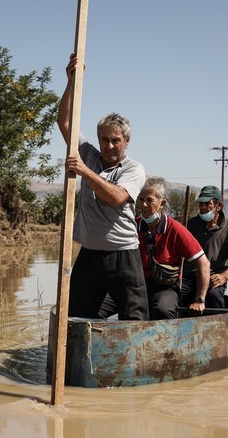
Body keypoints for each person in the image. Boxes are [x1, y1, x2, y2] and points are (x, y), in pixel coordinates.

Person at [56, 53, 148, 320]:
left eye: (115, 140)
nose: (109, 146)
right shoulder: (90, 155)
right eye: (104, 140)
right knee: (75, 317)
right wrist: (71, 81)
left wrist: (84, 171)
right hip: (90, 253)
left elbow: (117, 197)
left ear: (126, 141)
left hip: (123, 255)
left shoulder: (133, 168)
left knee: (134, 320)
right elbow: (64, 122)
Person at [98, 177, 210, 320]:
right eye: (141, 199)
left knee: (163, 310)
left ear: (162, 203)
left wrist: (199, 300)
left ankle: (164, 342)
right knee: (97, 308)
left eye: (150, 200)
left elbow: (203, 263)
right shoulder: (131, 226)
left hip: (165, 288)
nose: (144, 205)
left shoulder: (175, 229)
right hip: (133, 285)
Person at [185, 184, 228, 308]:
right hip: (189, 278)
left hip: (213, 279)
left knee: (214, 297)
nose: (202, 207)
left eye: (207, 204)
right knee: (176, 296)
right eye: (200, 204)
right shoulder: (189, 225)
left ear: (219, 206)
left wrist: (224, 277)